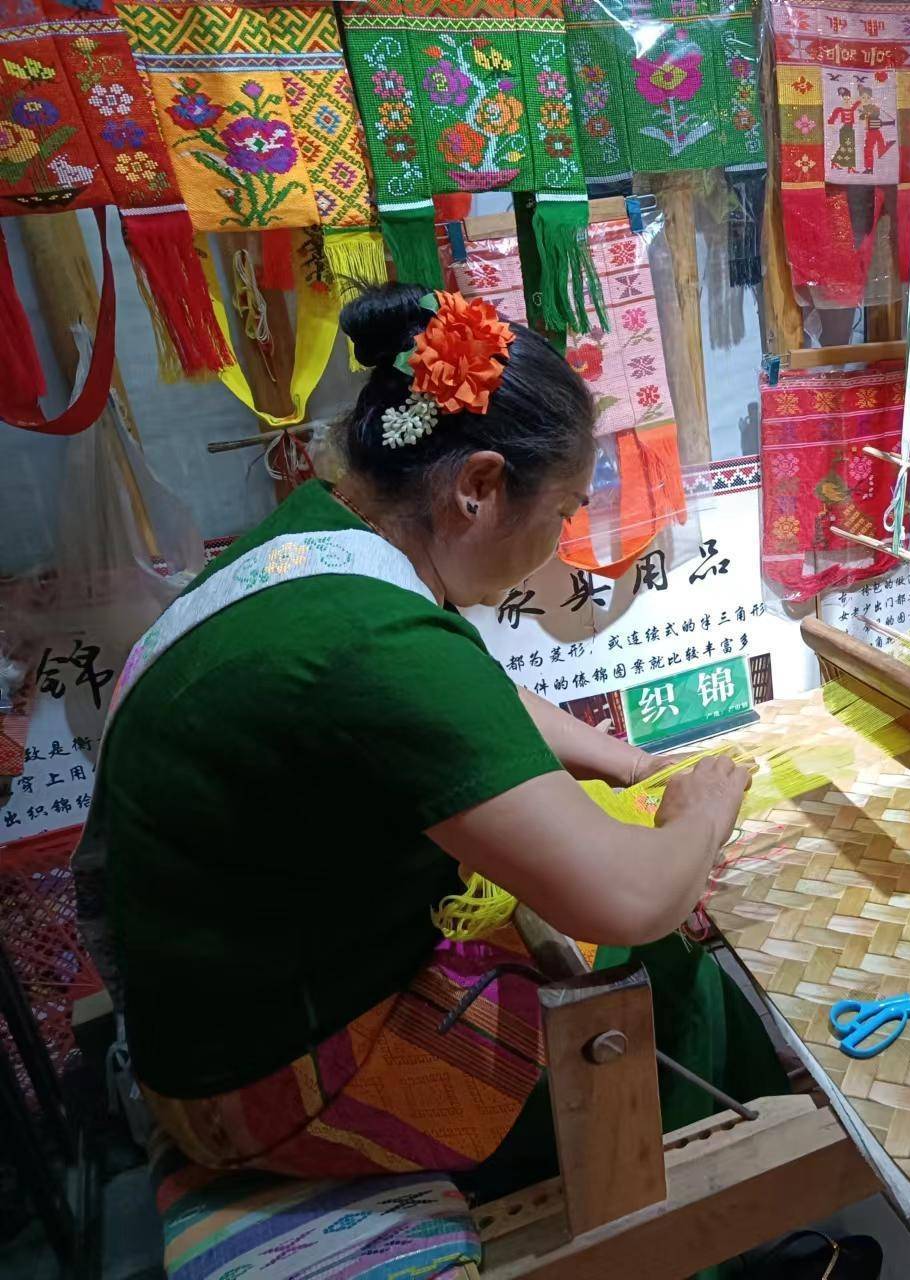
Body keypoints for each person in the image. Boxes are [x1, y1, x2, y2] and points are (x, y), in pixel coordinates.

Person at [80, 283, 785, 1198]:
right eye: (565, 511)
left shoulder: (321, 538)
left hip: (210, 1021)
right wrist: (699, 806)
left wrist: (627, 762)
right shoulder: (374, 645)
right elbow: (631, 896)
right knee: (663, 978)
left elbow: (463, 695)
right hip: (273, 1084)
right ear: (479, 487)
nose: (563, 541)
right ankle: (710, 1229)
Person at [827, 84, 857, 172]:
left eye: (848, 99)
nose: (847, 101)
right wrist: (832, 127)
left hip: (850, 129)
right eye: (845, 99)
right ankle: (848, 166)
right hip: (844, 129)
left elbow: (857, 103)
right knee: (845, 146)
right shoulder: (839, 109)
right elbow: (831, 119)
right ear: (842, 99)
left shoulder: (852, 108)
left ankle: (845, 165)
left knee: (850, 147)